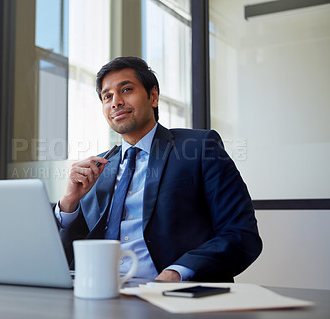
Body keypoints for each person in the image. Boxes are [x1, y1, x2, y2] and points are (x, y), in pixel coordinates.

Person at [54, 56, 262, 282]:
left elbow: (241, 233)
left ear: (153, 96)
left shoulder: (199, 148)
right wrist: (69, 203)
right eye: (107, 96)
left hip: (173, 295)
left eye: (126, 89)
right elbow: (66, 255)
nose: (116, 102)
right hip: (99, 292)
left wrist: (179, 272)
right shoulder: (97, 168)